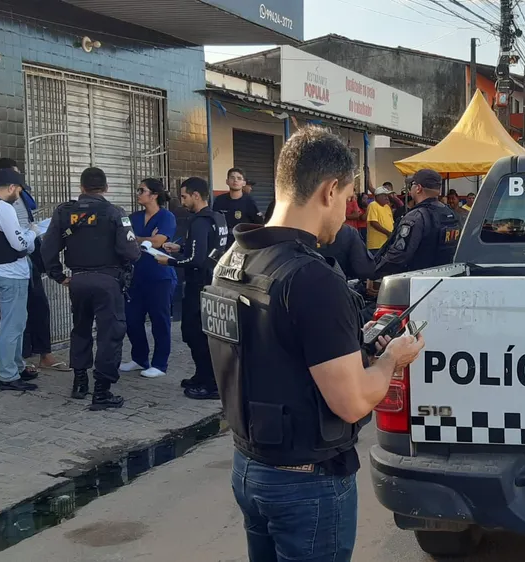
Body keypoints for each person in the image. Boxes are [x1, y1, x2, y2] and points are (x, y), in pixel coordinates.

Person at [202, 125, 424, 561]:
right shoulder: (313, 279)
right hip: (305, 484)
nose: (348, 210)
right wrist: (392, 360)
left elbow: (275, 348)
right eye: (347, 199)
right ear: (329, 190)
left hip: (249, 467)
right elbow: (354, 403)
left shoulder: (232, 260)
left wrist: (356, 347)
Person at [42, 167, 142, 410]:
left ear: (82, 188)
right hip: (108, 281)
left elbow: (47, 248)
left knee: (80, 329)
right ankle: (102, 391)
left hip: (78, 281)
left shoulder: (64, 212)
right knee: (110, 334)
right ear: (106, 188)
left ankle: (79, 383)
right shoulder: (116, 213)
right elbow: (131, 252)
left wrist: (58, 275)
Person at [0, 159, 66, 372]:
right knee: (14, 316)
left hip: (27, 254)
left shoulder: (19, 196)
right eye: (15, 176)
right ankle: (13, 367)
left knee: (38, 304)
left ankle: (41, 355)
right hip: (9, 260)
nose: (20, 181)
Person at [155, 177, 228, 400]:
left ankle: (211, 383)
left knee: (195, 334)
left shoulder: (200, 221)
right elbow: (208, 249)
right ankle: (202, 375)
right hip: (214, 285)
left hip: (200, 286)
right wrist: (181, 247)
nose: (183, 201)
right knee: (200, 334)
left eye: (185, 196)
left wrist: (170, 261)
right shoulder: (218, 218)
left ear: (196, 195)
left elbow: (197, 260)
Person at [0, 168, 42, 391]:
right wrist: (33, 232)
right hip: (11, 273)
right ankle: (8, 376)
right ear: (11, 188)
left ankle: (17, 366)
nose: (19, 194)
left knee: (15, 322)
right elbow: (20, 244)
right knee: (12, 325)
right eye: (19, 190)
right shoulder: (3, 207)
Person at [120, 178, 178, 378]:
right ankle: (139, 358)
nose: (138, 193)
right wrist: (146, 240)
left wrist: (137, 239)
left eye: (141, 190)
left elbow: (159, 241)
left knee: (159, 320)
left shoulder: (166, 216)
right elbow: (124, 241)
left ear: (153, 195)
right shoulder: (133, 217)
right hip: (136, 275)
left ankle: (160, 364)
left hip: (160, 276)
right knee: (132, 319)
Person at [375, 169, 461, 277]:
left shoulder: (416, 216)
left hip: (417, 283)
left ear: (418, 188)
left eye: (412, 184)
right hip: (444, 280)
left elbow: (398, 255)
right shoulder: (451, 214)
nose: (410, 188)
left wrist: (373, 272)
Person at [214, 168, 263, 239]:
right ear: (227, 181)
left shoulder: (249, 201)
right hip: (224, 241)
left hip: (243, 242)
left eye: (239, 178)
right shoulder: (219, 200)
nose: (235, 180)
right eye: (232, 178)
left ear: (244, 183)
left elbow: (259, 224)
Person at [366, 186, 395, 252]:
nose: (387, 198)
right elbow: (373, 223)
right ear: (377, 196)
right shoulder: (373, 205)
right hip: (376, 245)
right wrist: (388, 233)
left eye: (387, 196)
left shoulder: (387, 207)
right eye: (384, 195)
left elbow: (391, 223)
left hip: (386, 243)